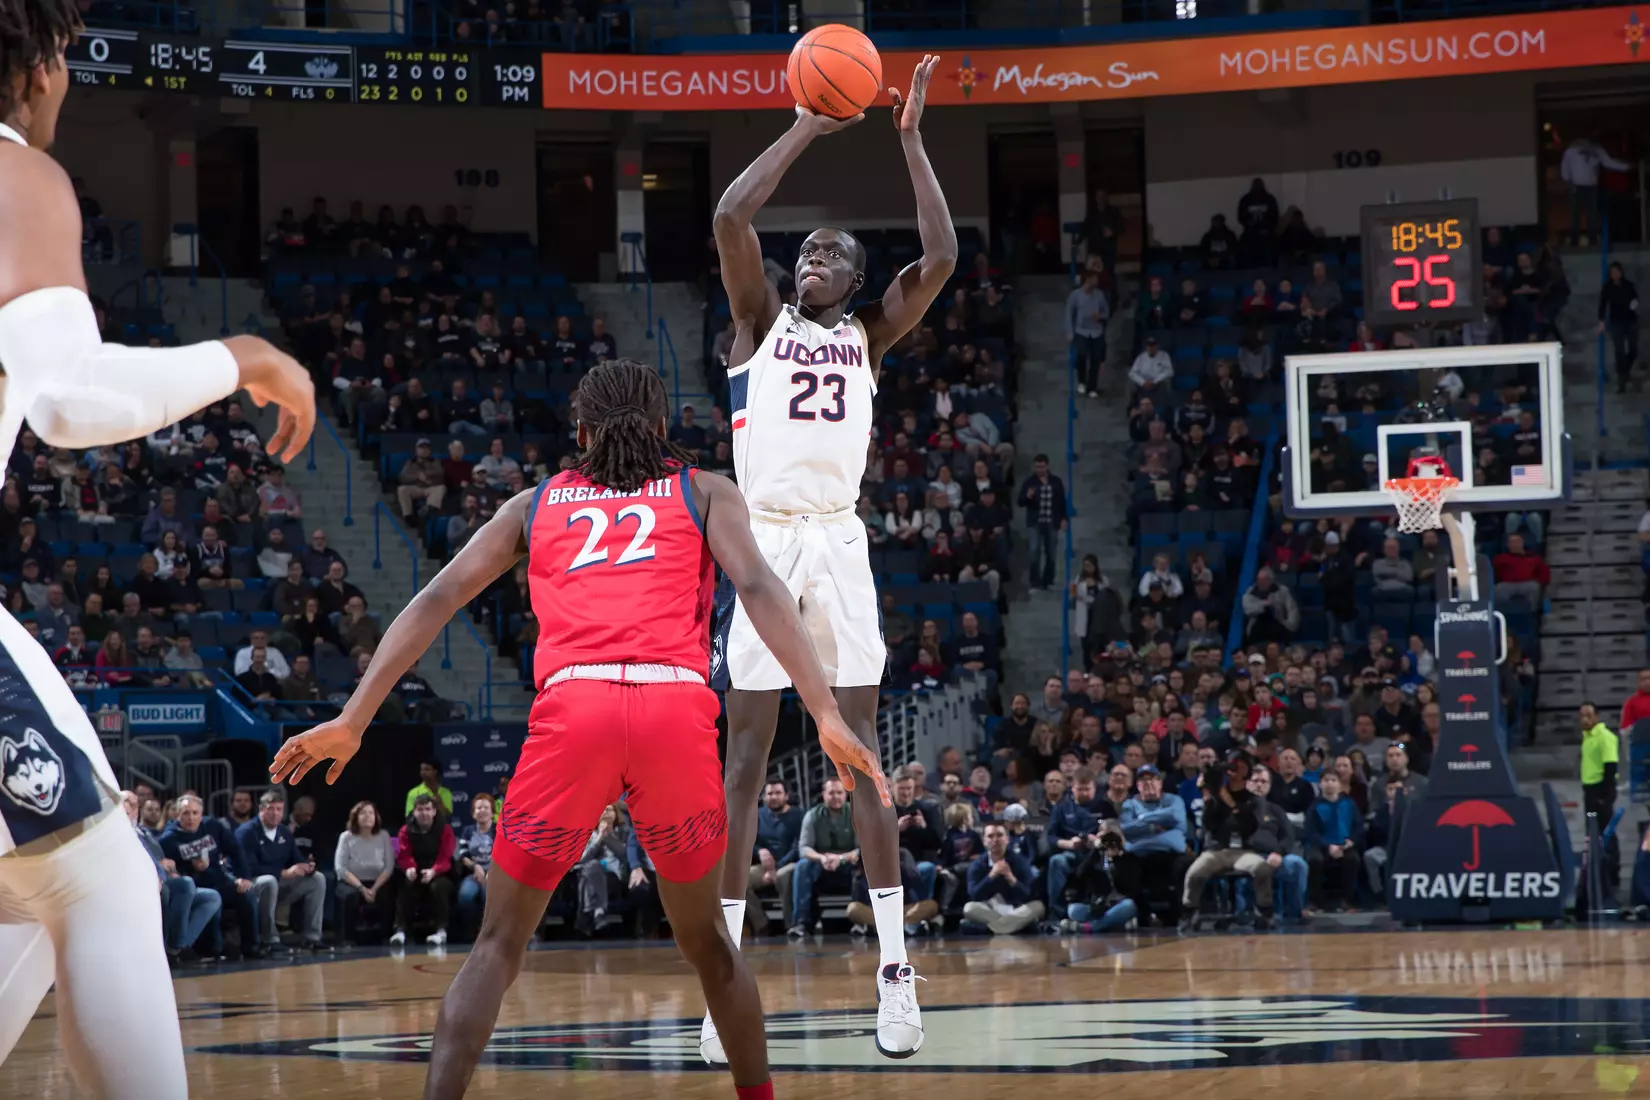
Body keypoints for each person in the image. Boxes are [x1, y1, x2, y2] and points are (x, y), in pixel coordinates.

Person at [270, 357, 888, 1100]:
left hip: (574, 708)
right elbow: (759, 587)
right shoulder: (705, 491)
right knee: (711, 948)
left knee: (498, 944)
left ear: (582, 432)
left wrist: (353, 717)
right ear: (662, 429)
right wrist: (821, 708)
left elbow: (437, 598)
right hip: (672, 709)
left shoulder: (534, 504)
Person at [0, 9, 316, 1088]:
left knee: (38, 890)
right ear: (38, 67)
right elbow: (69, 400)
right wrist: (243, 353)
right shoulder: (16, 172)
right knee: (100, 883)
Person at [704, 56, 953, 1064]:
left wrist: (908, 138)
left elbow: (938, 255)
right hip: (763, 536)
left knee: (856, 748)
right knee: (746, 759)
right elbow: (729, 214)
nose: (812, 256)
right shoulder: (757, 320)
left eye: (831, 253)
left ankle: (896, 973)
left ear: (855, 281)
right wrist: (807, 123)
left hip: (839, 536)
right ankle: (725, 977)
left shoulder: (870, 335)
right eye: (804, 248)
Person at [455, 791, 496, 940]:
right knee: (465, 896)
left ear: (492, 812)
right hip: (473, 874)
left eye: (486, 807)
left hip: (494, 875)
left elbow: (503, 857)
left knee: (489, 896)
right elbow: (463, 855)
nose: (482, 811)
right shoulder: (468, 831)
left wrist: (490, 872)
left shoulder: (499, 831)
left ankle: (491, 933)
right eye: (478, 808)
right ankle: (472, 933)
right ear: (473, 813)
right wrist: (475, 867)